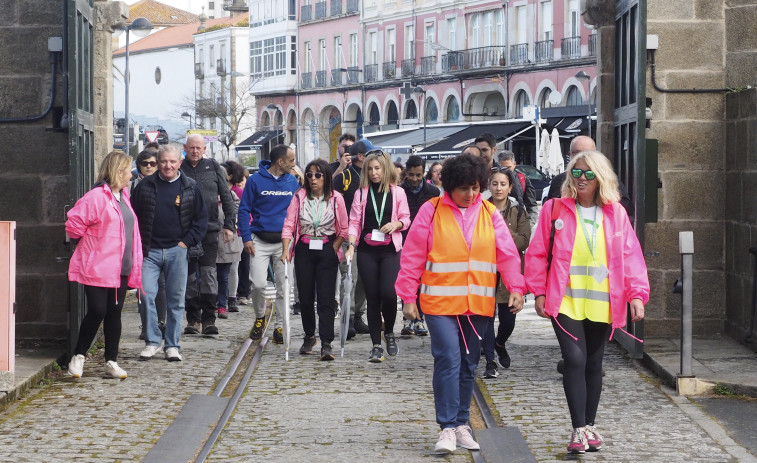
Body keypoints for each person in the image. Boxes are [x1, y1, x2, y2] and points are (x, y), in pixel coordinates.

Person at [395, 154, 525, 453]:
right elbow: (413, 255)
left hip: (477, 303)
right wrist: (408, 297)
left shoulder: (489, 213)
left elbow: (507, 253)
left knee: (468, 363)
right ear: (451, 186)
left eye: (476, 188)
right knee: (449, 359)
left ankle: (462, 423)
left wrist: (516, 287)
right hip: (439, 303)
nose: (470, 194)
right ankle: (446, 427)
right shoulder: (432, 210)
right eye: (464, 188)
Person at [525, 150, 649, 454]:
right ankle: (578, 428)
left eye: (588, 174)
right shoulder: (554, 209)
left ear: (600, 178)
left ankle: (590, 425)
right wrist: (539, 291)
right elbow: (537, 253)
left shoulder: (616, 213)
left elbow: (630, 256)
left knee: (594, 362)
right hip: (565, 299)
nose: (581, 179)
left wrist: (636, 294)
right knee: (575, 360)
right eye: (576, 172)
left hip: (602, 301)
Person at [66, 151, 143, 379]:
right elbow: (74, 226)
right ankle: (79, 355)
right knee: (98, 310)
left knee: (114, 313)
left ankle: (111, 360)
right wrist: (91, 246)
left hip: (121, 266)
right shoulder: (97, 196)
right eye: (129, 170)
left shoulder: (124, 196)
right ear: (119, 171)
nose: (131, 175)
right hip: (99, 265)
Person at [131, 144, 208, 362]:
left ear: (179, 163)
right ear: (158, 163)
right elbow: (133, 218)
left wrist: (186, 243)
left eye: (172, 162)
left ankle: (172, 345)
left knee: (176, 300)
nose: (168, 165)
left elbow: (201, 220)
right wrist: (138, 245)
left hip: (177, 250)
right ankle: (153, 341)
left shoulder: (190, 187)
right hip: (150, 251)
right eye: (163, 161)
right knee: (145, 295)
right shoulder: (144, 186)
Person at [345, 151, 410, 363]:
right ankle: (375, 345)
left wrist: (397, 224)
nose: (374, 173)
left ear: (385, 169)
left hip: (390, 249)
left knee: (390, 294)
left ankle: (389, 332)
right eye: (370, 169)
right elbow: (354, 221)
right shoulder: (361, 193)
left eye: (377, 169)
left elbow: (406, 218)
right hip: (367, 250)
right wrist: (352, 245)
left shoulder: (398, 192)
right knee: (372, 297)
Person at [281, 159, 348, 360]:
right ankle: (310, 336)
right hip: (304, 249)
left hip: (327, 248)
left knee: (326, 298)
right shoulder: (299, 197)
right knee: (306, 297)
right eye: (309, 175)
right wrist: (286, 249)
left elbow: (344, 229)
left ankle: (326, 342)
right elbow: (289, 225)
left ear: (326, 177)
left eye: (317, 175)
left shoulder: (337, 199)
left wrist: (334, 247)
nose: (312, 179)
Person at [238, 144, 299, 343]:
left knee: (283, 286)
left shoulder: (292, 181)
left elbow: (297, 210)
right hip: (259, 241)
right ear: (280, 162)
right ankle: (259, 317)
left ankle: (280, 326)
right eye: (291, 160)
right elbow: (244, 209)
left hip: (284, 242)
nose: (294, 164)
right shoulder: (255, 181)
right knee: (257, 284)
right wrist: (246, 237)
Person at [180, 134, 236, 335]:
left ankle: (209, 319)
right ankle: (193, 319)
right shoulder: (179, 168)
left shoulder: (214, 167)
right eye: (191, 147)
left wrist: (229, 225)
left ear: (204, 149)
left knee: (208, 274)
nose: (195, 151)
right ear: (185, 148)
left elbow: (227, 199)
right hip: (185, 232)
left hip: (210, 229)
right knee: (190, 276)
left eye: (199, 148)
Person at [480, 167, 531, 379]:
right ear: (489, 186)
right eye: (495, 184)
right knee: (486, 318)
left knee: (508, 321)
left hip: (510, 271)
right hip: (485, 268)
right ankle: (490, 360)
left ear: (510, 187)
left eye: (503, 184)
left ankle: (500, 344)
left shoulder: (518, 211)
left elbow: (524, 240)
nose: (498, 188)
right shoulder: (481, 209)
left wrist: (504, 234)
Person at [334, 139, 376, 337]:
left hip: (368, 235)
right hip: (347, 236)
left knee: (364, 279)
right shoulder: (345, 177)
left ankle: (358, 315)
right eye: (371, 154)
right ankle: (348, 318)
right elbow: (331, 198)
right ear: (361, 156)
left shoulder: (373, 175)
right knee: (350, 275)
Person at [544, 135, 635, 222]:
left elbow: (627, 215)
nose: (582, 178)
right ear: (570, 154)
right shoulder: (557, 184)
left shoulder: (611, 186)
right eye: (578, 152)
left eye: (590, 175)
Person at [398, 155, 440, 336]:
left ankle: (420, 318)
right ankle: (408, 317)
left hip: (427, 241)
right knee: (407, 279)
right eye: (411, 175)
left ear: (424, 173)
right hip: (404, 239)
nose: (414, 179)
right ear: (406, 173)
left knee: (423, 281)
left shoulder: (433, 192)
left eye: (418, 175)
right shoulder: (399, 191)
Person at [131, 147, 166, 340]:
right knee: (142, 286)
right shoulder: (133, 185)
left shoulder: (163, 185)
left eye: (153, 163)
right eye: (145, 164)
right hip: (140, 241)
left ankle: (160, 321)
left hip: (161, 241)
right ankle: (146, 324)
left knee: (161, 285)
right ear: (139, 167)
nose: (149, 167)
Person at [215, 161, 245, 319]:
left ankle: (225, 301)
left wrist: (234, 223)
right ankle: (214, 301)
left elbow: (240, 209)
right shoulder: (209, 191)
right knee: (211, 273)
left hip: (229, 237)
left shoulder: (233, 193)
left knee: (228, 272)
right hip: (212, 238)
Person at [496, 149, 539, 226]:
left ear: (514, 164)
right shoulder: (491, 179)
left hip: (518, 225)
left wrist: (527, 227)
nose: (506, 171)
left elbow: (532, 206)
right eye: (503, 168)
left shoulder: (522, 178)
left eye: (508, 168)